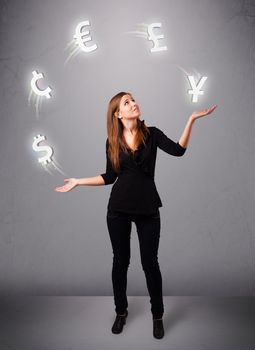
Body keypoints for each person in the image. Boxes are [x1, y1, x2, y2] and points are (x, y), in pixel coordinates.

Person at [55, 92, 217, 339]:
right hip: (118, 209)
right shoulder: (112, 141)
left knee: (150, 264)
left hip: (148, 208)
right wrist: (78, 181)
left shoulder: (152, 133)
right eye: (127, 103)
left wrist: (191, 119)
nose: (134, 104)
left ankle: (157, 316)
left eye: (133, 100)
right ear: (117, 114)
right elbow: (110, 177)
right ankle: (121, 312)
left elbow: (179, 150)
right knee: (120, 263)